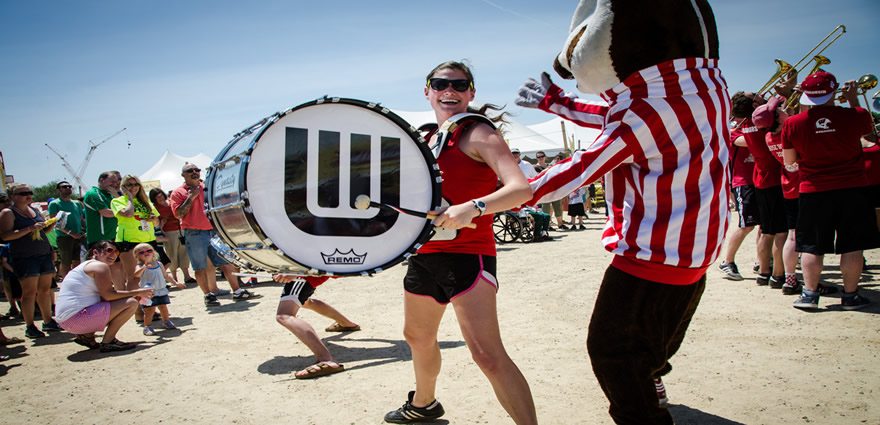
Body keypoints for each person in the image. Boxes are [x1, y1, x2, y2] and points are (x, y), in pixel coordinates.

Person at [517, 1, 728, 420]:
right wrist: (556, 104)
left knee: (614, 351)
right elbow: (613, 115)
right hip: (695, 253)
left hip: (651, 258)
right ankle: (651, 376)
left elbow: (572, 172)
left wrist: (490, 201)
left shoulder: (645, 109)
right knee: (656, 342)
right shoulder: (701, 88)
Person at [384, 61, 536, 425]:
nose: (448, 90)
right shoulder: (424, 138)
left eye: (459, 84)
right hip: (425, 254)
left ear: (471, 92)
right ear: (428, 91)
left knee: (486, 354)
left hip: (469, 255)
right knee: (417, 337)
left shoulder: (479, 133)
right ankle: (424, 405)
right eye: (440, 84)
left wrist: (475, 207)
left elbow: (521, 189)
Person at [782, 71, 879, 310]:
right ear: (833, 92)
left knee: (812, 246)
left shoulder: (792, 124)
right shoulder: (856, 115)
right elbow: (869, 133)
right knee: (852, 245)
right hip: (853, 189)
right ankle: (850, 296)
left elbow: (789, 161)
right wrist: (854, 98)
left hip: (813, 190)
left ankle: (809, 294)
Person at [169, 163, 256, 306]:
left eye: (197, 170)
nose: (195, 172)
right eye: (190, 171)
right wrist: (191, 197)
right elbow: (178, 214)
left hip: (214, 231)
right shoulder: (178, 192)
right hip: (194, 233)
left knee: (226, 261)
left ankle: (238, 291)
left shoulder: (208, 187)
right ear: (183, 175)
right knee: (200, 267)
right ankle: (208, 295)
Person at [54, 240, 152, 352]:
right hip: (75, 319)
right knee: (131, 303)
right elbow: (109, 295)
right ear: (95, 252)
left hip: (67, 320)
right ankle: (108, 341)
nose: (114, 254)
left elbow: (104, 297)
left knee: (124, 301)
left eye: (116, 252)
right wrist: (137, 292)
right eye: (109, 250)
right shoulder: (100, 266)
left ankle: (86, 336)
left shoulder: (87, 266)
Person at [0, 184, 61, 338]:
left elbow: (42, 231)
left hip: (43, 253)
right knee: (29, 293)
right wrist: (29, 229)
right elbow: (5, 236)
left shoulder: (34, 210)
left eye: (29, 193)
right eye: (23, 193)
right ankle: (30, 325)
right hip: (25, 257)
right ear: (12, 196)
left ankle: (48, 321)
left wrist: (49, 225)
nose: (28, 196)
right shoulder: (8, 213)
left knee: (45, 290)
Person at [272, 274, 360, 379]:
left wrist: (296, 273)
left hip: (302, 276)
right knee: (305, 302)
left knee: (284, 315)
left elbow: (321, 260)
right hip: (304, 274)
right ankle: (346, 324)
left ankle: (326, 359)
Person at [718, 110, 759, 281]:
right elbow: (750, 142)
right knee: (746, 225)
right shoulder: (734, 131)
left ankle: (762, 261)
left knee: (766, 227)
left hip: (761, 181)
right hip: (743, 182)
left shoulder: (754, 129)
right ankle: (727, 261)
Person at [111, 174, 161, 293]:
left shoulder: (145, 201)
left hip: (148, 241)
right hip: (129, 242)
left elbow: (157, 223)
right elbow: (127, 213)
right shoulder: (117, 201)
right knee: (133, 277)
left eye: (136, 184)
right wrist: (129, 197)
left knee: (150, 274)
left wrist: (153, 219)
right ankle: (137, 310)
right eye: (129, 185)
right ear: (123, 187)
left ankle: (149, 307)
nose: (133, 187)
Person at [132, 243, 184, 336]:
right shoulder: (140, 266)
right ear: (137, 256)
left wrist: (175, 283)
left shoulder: (159, 264)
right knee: (149, 310)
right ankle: (147, 326)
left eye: (149, 250)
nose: (146, 253)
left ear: (153, 252)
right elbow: (136, 275)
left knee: (163, 307)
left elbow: (166, 275)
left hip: (161, 290)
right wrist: (144, 266)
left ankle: (166, 321)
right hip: (148, 292)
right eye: (142, 252)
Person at [149, 188, 195, 284]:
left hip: (181, 230)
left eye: (161, 195)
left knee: (184, 253)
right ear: (154, 199)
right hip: (168, 232)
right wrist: (162, 224)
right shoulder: (155, 208)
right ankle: (174, 277)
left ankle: (187, 276)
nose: (160, 198)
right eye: (157, 197)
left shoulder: (171, 201)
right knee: (172, 253)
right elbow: (155, 224)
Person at [48, 181, 85, 281]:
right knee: (66, 263)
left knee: (78, 262)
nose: (68, 188)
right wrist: (71, 233)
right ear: (59, 189)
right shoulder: (54, 204)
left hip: (78, 236)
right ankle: (66, 284)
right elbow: (55, 222)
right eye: (64, 187)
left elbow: (82, 219)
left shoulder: (77, 203)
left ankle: (77, 283)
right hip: (64, 237)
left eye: (69, 186)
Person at [83, 171, 121, 246]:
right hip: (100, 240)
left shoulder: (111, 194)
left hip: (114, 238)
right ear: (101, 180)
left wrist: (117, 195)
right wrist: (124, 212)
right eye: (112, 181)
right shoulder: (93, 193)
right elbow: (106, 213)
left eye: (116, 182)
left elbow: (124, 206)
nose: (115, 184)